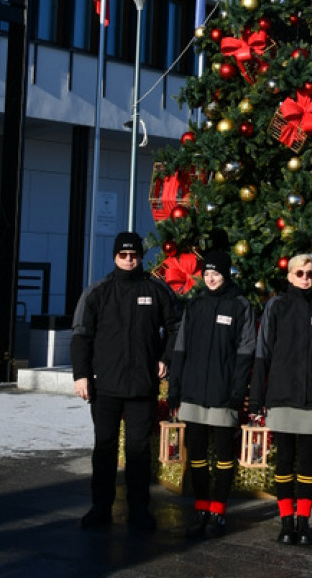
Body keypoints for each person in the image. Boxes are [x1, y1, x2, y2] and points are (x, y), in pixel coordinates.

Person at [70, 231, 182, 530]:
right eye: (124, 255)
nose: (129, 260)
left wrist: (166, 359)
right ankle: (100, 507)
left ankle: (139, 509)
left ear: (141, 257)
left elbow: (176, 327)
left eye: (134, 255)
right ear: (115, 257)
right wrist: (81, 376)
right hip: (105, 385)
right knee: (104, 447)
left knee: (137, 450)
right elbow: (81, 336)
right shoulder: (98, 292)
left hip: (142, 386)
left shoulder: (156, 289)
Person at [248, 252, 312, 546]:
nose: (305, 279)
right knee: (285, 461)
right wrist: (256, 399)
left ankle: (304, 523)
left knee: (307, 462)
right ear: (289, 276)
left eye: (310, 274)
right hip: (282, 396)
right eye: (299, 273)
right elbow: (262, 354)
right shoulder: (276, 306)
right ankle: (285, 522)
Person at [166, 250, 256, 539]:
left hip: (222, 394)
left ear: (226, 274)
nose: (211, 279)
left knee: (223, 456)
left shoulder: (240, 305)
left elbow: (246, 352)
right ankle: (201, 508)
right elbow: (180, 349)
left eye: (216, 274)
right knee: (198, 455)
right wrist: (175, 388)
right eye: (207, 275)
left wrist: (237, 391)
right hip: (192, 393)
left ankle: (218, 510)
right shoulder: (195, 304)